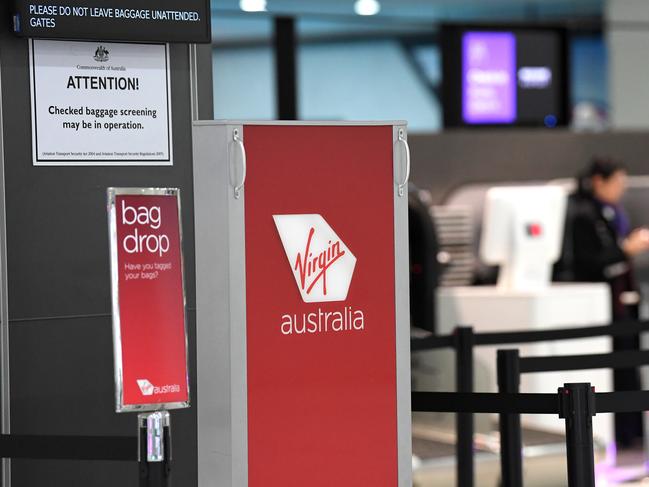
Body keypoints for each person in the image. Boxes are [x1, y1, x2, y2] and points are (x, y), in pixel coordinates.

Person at [568, 157, 649, 448]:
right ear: (600, 181)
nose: (621, 190)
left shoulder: (614, 212)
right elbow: (591, 262)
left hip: (624, 301)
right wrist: (626, 249)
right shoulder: (583, 214)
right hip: (605, 305)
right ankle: (619, 434)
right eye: (617, 184)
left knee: (630, 369)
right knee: (616, 370)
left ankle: (632, 433)